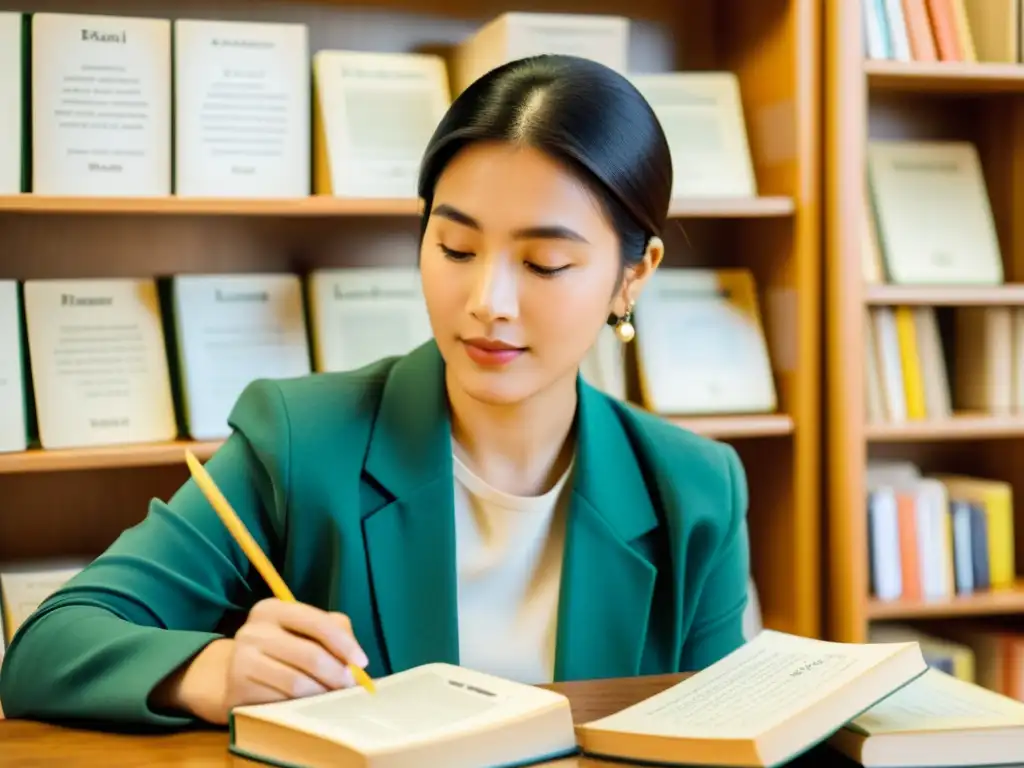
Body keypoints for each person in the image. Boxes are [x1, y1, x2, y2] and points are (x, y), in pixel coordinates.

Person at [0, 53, 751, 729]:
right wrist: (213, 671)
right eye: (455, 247)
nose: (488, 299)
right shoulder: (301, 442)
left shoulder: (695, 491)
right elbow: (50, 646)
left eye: (546, 262)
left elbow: (720, 739)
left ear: (634, 274)